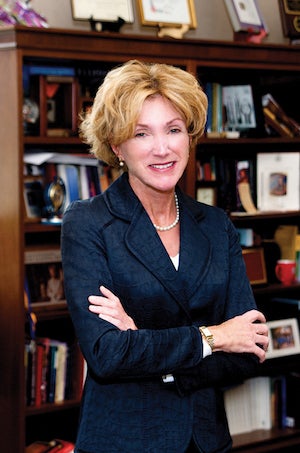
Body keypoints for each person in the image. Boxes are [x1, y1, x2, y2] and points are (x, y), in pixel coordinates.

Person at [61, 60, 269, 453]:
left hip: (206, 441)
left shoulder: (215, 224)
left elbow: (250, 348)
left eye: (174, 129)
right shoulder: (88, 223)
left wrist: (143, 341)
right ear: (117, 145)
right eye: (142, 133)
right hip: (124, 441)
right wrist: (215, 336)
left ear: (189, 137)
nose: (162, 148)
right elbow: (107, 354)